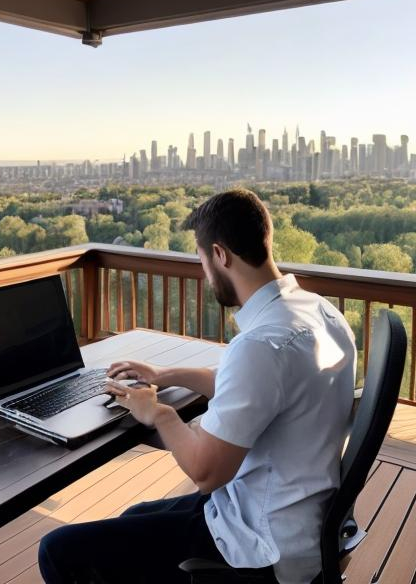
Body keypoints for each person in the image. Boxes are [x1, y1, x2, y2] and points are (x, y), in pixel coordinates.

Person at [39, 189, 356, 584]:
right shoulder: (319, 312)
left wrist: (158, 413)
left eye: (203, 261)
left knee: (58, 551)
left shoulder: (260, 346)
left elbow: (206, 472)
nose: (205, 274)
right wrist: (165, 374)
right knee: (133, 517)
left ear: (220, 255)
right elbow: (253, 385)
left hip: (262, 544)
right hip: (299, 513)